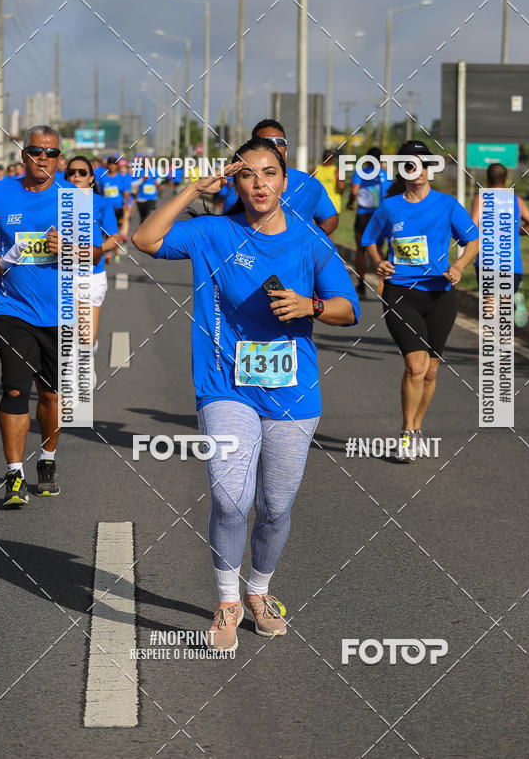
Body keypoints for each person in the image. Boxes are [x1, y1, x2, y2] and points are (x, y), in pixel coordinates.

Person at [132, 136, 359, 650]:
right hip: (224, 384)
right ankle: (227, 599)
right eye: (248, 174)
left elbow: (350, 308)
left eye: (269, 172)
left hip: (292, 391)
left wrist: (312, 307)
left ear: (286, 181)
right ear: (234, 182)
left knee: (276, 505)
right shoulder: (212, 231)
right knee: (231, 498)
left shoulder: (309, 240)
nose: (259, 182)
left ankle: (259, 591)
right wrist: (193, 188)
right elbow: (145, 241)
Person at [0, 125, 102, 506]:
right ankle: (14, 473)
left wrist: (69, 246)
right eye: (37, 151)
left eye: (52, 154)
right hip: (13, 309)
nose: (44, 159)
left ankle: (47, 461)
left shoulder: (76, 199)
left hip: (62, 311)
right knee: (15, 388)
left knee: (52, 396)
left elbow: (97, 254)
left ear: (60, 158)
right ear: (24, 154)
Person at [361, 140, 479, 462]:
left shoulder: (447, 204)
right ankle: (407, 432)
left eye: (424, 163)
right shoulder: (390, 206)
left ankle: (417, 426)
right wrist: (377, 262)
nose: (419, 168)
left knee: (430, 371)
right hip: (401, 292)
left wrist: (458, 266)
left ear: (430, 168)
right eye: (411, 163)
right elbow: (370, 240)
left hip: (440, 295)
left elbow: (473, 240)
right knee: (415, 365)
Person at [223, 120, 339, 236]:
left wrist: (312, 239)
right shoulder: (242, 184)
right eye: (266, 142)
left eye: (280, 142)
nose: (274, 146)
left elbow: (330, 218)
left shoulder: (309, 184)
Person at [470, 162, 529, 328]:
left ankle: (493, 342)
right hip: (511, 263)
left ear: (487, 178)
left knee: (489, 303)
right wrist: (516, 231)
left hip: (487, 261)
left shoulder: (481, 199)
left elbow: (472, 226)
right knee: (504, 305)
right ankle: (504, 334)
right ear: (506, 179)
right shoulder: (516, 200)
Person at [65, 156, 119, 358]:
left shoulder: (101, 204)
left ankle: (87, 361)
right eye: (71, 173)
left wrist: (96, 251)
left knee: (86, 339)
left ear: (91, 178)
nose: (76, 176)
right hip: (61, 274)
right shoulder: (54, 203)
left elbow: (114, 238)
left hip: (91, 274)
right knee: (66, 338)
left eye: (82, 172)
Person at [346, 146, 391, 300]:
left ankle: (361, 285)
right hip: (381, 216)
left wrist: (350, 203)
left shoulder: (360, 172)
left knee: (361, 250)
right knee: (378, 248)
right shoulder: (386, 175)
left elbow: (354, 191)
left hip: (364, 215)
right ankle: (383, 282)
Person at [102, 157, 130, 263]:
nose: (112, 166)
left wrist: (127, 204)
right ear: (108, 165)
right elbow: (100, 192)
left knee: (115, 232)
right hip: (106, 209)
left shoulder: (121, 178)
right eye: (110, 164)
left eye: (114, 164)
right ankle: (107, 253)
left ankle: (116, 252)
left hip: (118, 208)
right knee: (105, 232)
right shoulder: (103, 178)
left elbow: (126, 192)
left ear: (116, 166)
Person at [314, 148, 345, 216]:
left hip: (319, 203)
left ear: (323, 158)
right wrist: (341, 194)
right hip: (333, 204)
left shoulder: (315, 170)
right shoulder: (337, 171)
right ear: (333, 159)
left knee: (319, 226)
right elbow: (341, 186)